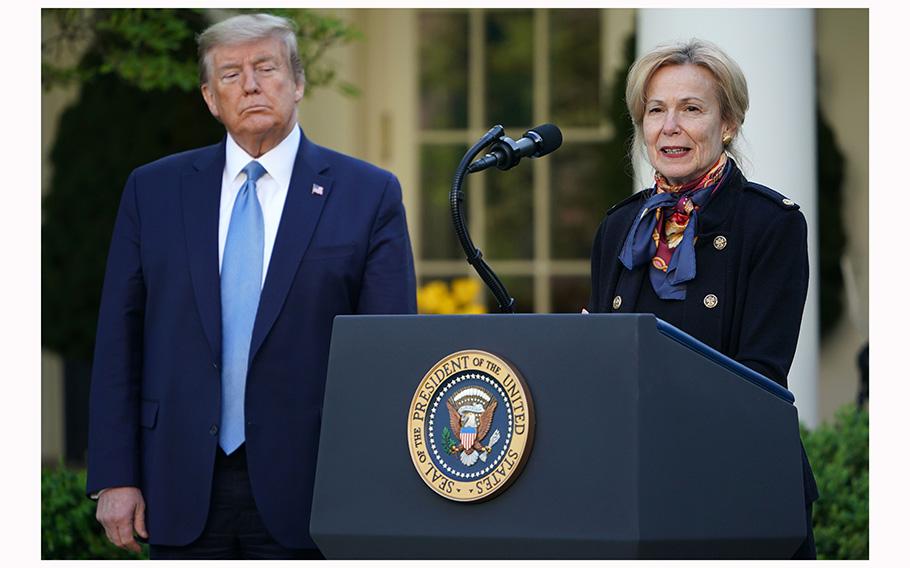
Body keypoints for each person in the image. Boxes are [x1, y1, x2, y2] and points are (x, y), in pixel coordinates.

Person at [86, 13, 416, 559]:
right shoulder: (154, 191)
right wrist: (115, 475)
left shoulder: (368, 194)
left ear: (298, 83)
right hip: (177, 479)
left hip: (313, 487)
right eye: (231, 74)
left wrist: (377, 484)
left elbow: (388, 354)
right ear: (211, 98)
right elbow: (119, 339)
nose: (251, 85)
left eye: (266, 67)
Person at [588, 39, 818, 558]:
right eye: (655, 111)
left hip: (736, 488)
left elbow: (760, 376)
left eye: (691, 109)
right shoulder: (619, 226)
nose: (670, 126)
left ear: (729, 123)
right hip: (633, 491)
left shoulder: (771, 224)